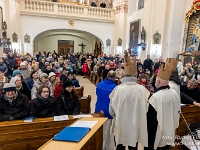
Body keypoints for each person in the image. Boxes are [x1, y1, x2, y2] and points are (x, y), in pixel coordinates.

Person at [109, 57, 150, 150]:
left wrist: (117, 117)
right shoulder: (142, 90)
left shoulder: (118, 89)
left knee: (120, 145)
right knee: (133, 145)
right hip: (135, 124)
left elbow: (111, 109)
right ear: (135, 75)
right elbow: (146, 109)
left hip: (121, 124)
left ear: (124, 75)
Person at [145, 64, 180, 150]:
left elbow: (151, 121)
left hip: (157, 134)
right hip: (169, 130)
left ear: (159, 82)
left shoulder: (156, 97)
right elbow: (177, 112)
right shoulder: (174, 93)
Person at [95, 70, 116, 150]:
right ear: (114, 77)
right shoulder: (114, 88)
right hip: (108, 112)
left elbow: (97, 94)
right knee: (107, 133)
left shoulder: (99, 84)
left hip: (98, 110)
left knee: (101, 132)